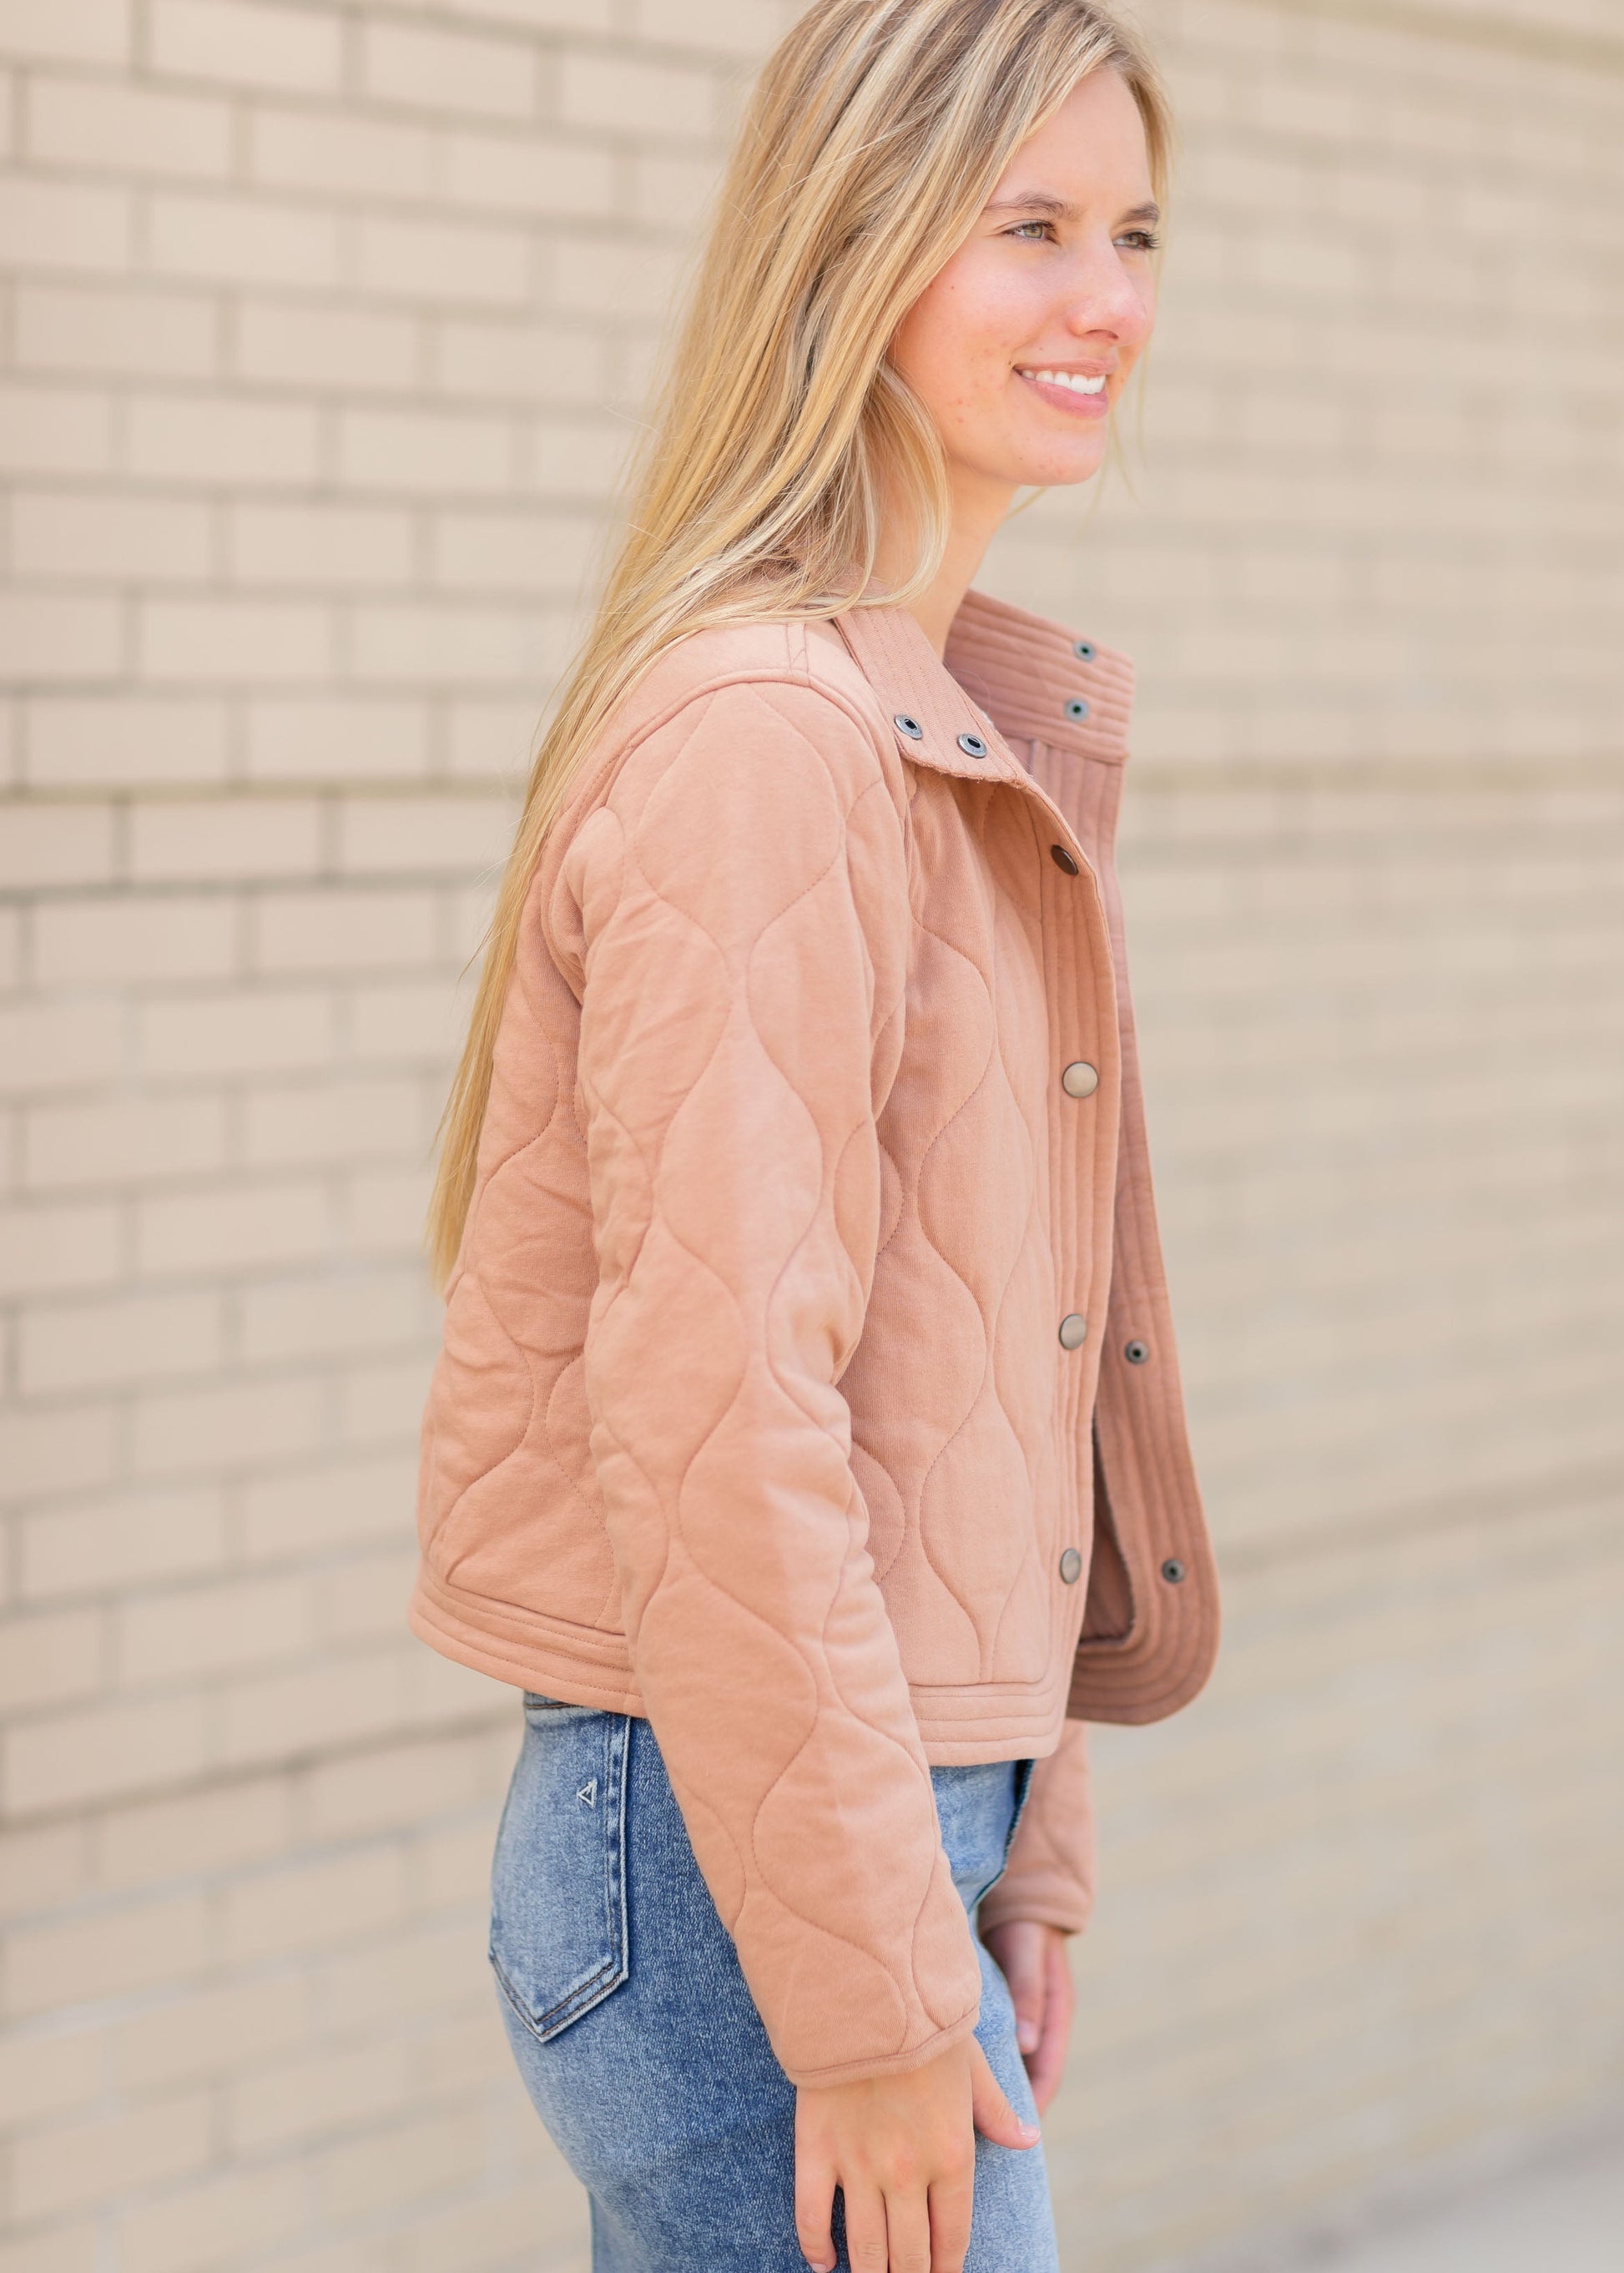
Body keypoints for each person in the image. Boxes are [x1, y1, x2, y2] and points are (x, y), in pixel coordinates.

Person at [408, 2, 1219, 2265]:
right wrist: (871, 1992)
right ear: (852, 246)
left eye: (1135, 230)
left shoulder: (926, 726)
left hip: (841, 1831)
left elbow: (985, 1377)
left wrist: (1021, 1838)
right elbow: (720, 1428)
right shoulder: (771, 740)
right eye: (1029, 227)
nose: (1107, 301)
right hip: (735, 1861)